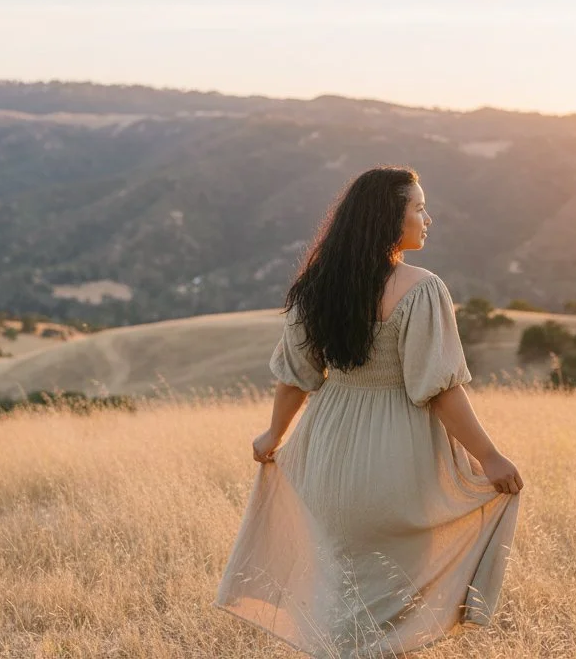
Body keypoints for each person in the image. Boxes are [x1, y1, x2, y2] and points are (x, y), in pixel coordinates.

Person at [214, 165, 524, 658]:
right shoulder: (421, 288)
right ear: (388, 219)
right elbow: (440, 390)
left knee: (342, 593)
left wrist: (272, 435)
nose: (428, 218)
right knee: (390, 608)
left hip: (326, 454)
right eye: (418, 208)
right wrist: (489, 458)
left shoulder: (315, 288)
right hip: (397, 456)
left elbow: (296, 377)